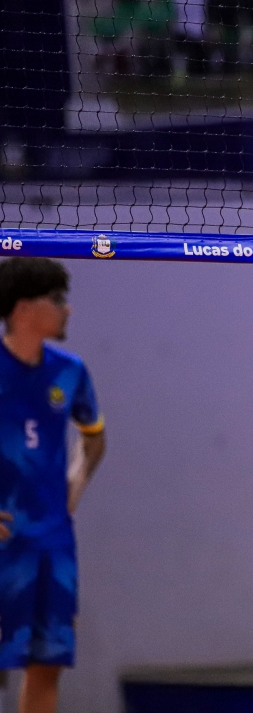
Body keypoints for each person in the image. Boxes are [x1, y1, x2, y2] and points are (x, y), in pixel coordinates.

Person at [0, 258, 106, 713]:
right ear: (24, 309)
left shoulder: (70, 371)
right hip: (5, 539)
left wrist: (74, 485)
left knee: (46, 666)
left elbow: (94, 437)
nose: (68, 310)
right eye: (58, 300)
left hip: (53, 543)